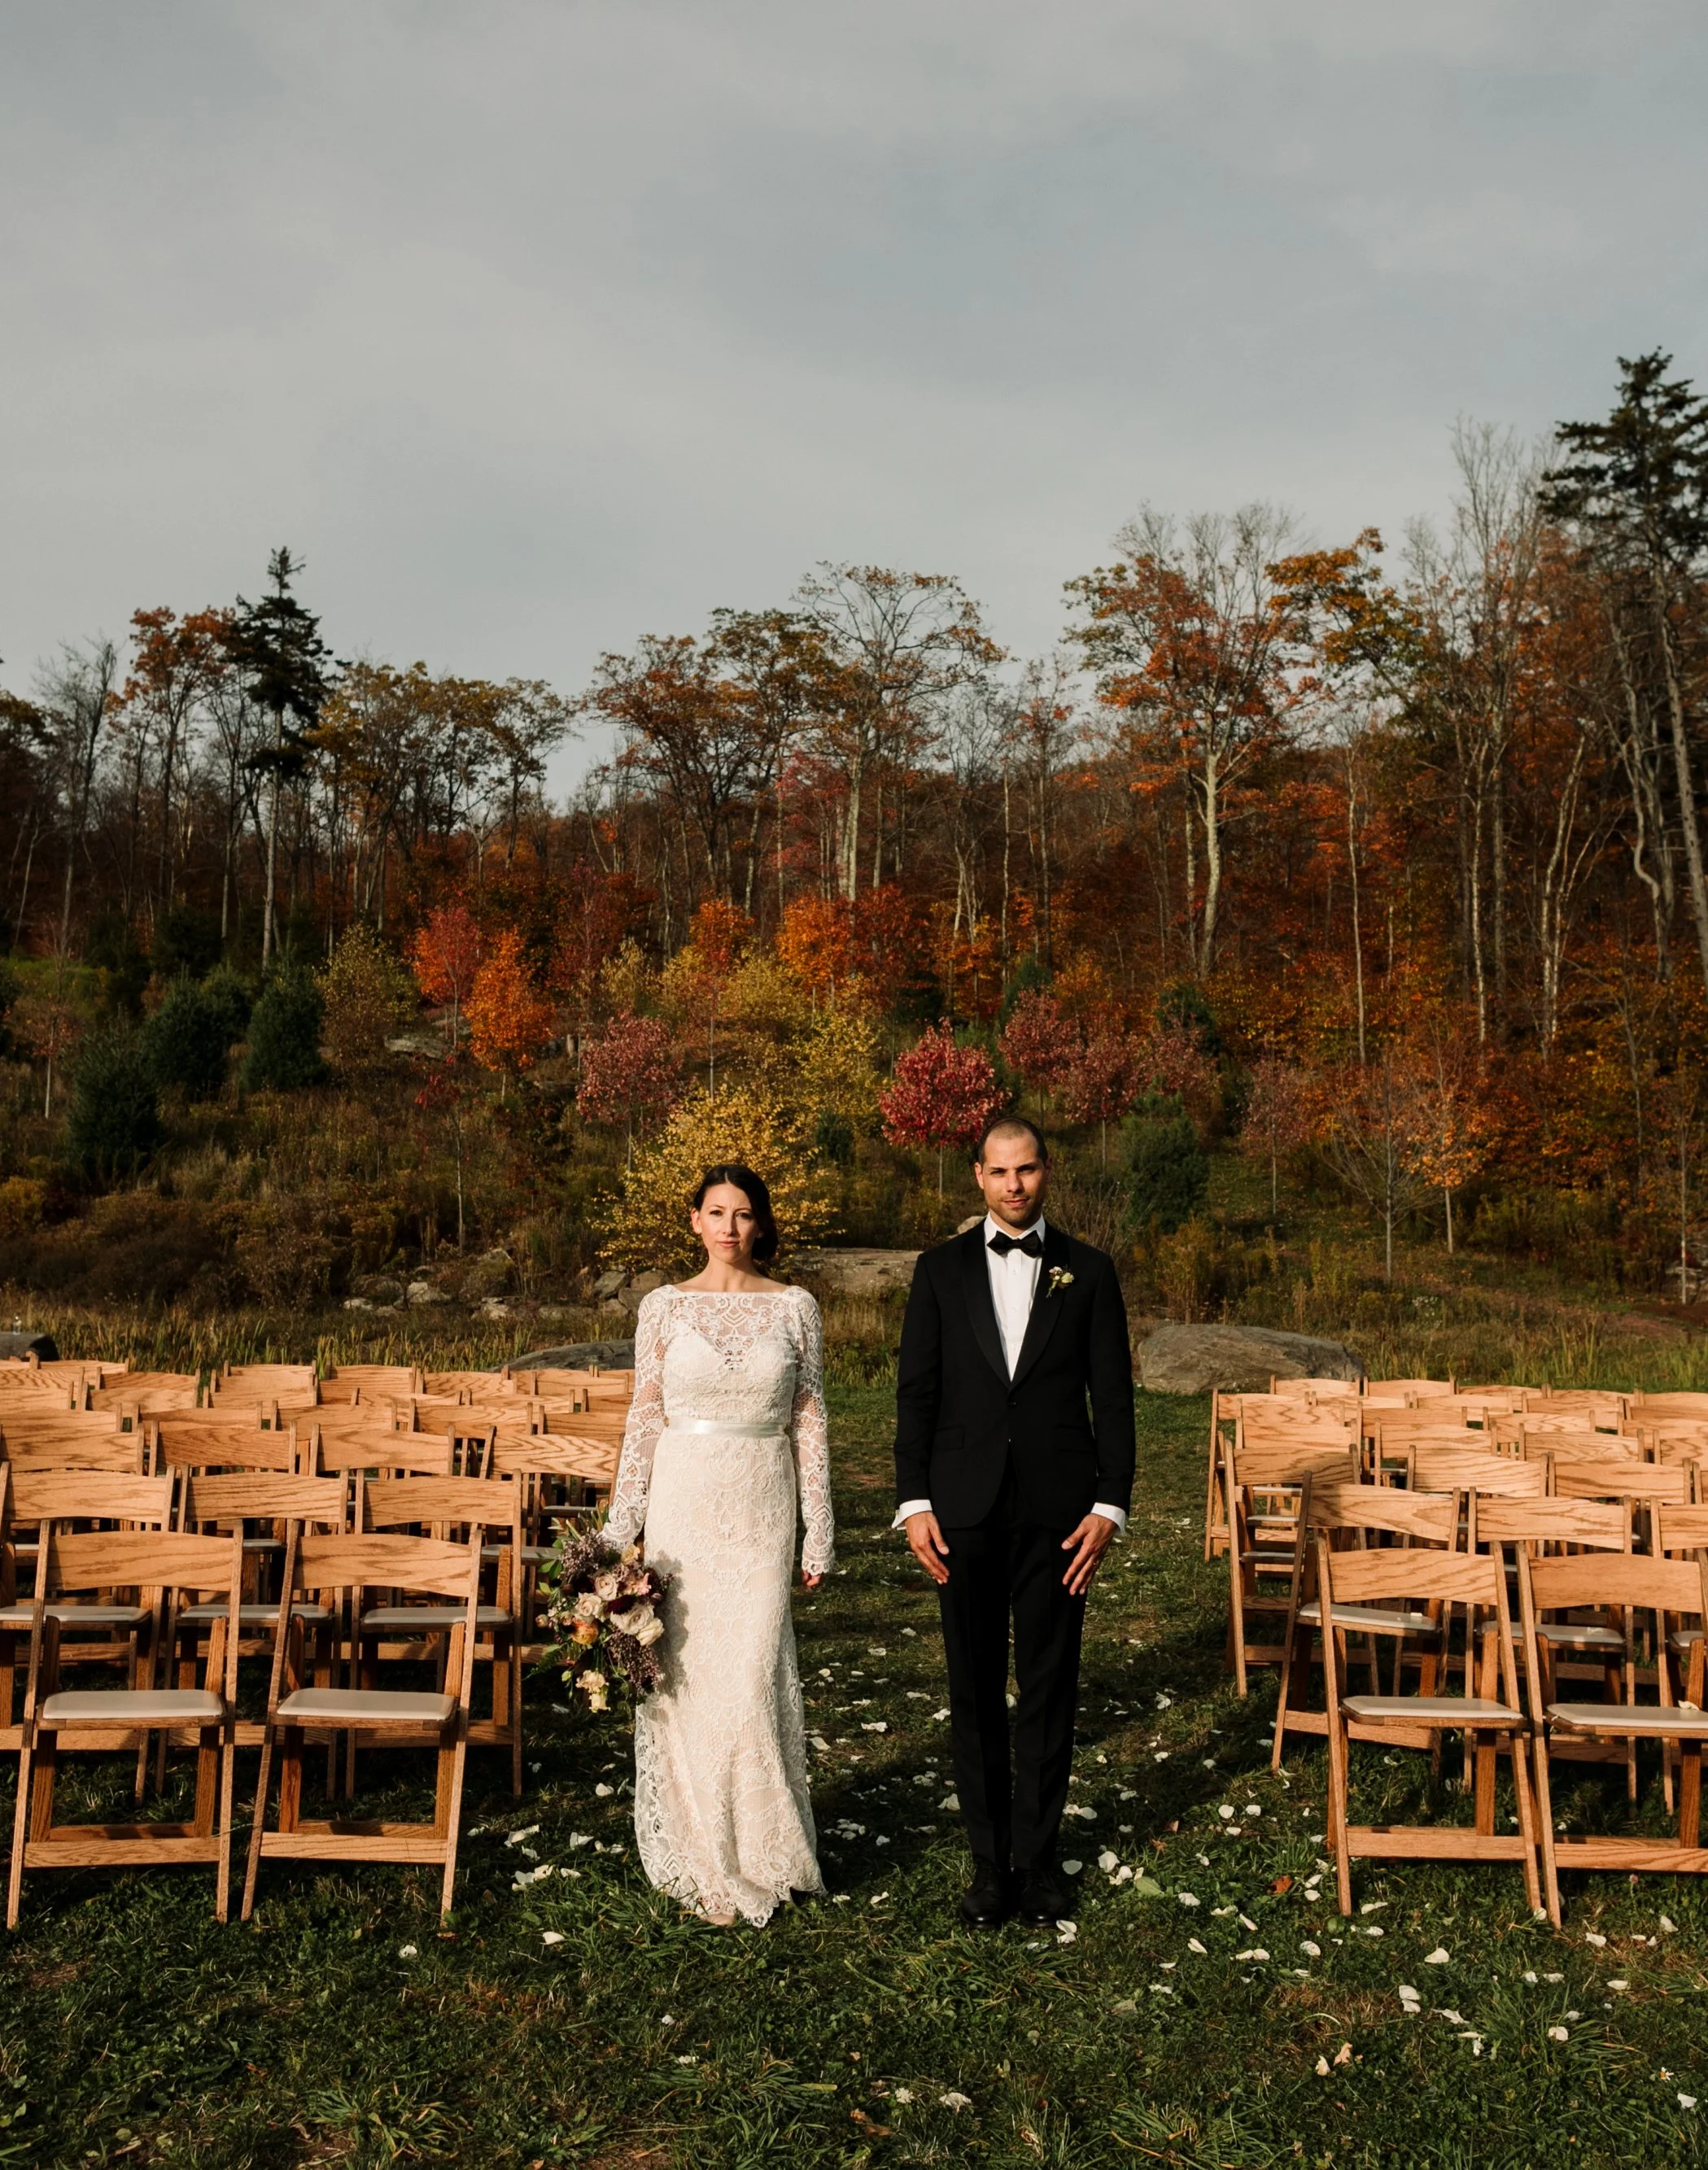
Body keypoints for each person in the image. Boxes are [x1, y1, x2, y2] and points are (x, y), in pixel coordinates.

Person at [894, 1115, 1134, 1930]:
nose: (1013, 1184)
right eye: (999, 1171)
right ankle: (986, 1866)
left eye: (1026, 1169)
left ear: (1046, 1170)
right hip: (958, 1511)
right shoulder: (937, 1270)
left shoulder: (1089, 1271)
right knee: (971, 1689)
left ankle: (1035, 1865)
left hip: (1060, 1515)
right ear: (977, 1175)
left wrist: (1108, 1504)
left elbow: (1114, 1398)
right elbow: (916, 1394)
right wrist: (913, 1502)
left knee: (1048, 1686)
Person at [603, 1164, 833, 1927]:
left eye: (742, 1213)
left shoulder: (795, 1306)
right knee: (691, 1676)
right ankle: (705, 1854)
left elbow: (810, 1418)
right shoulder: (663, 1306)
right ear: (695, 1220)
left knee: (752, 1673)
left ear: (760, 1223)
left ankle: (764, 1849)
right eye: (715, 1212)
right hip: (684, 1506)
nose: (729, 1226)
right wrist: (619, 1528)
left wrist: (819, 1527)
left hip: (762, 1505)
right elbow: (644, 1415)